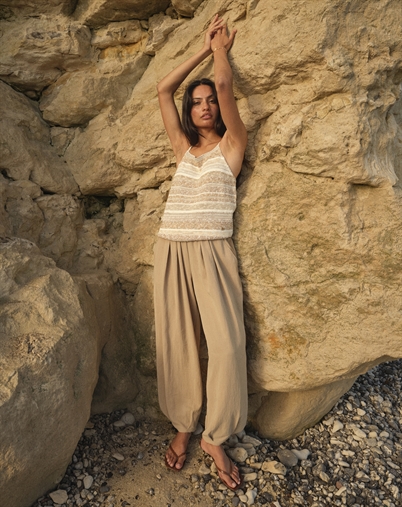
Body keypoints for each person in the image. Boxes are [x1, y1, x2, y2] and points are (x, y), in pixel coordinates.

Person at [153, 14, 248, 491]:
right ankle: (184, 425)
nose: (206, 106)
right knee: (179, 344)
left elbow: (226, 87)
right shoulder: (182, 149)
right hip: (171, 249)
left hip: (212, 252)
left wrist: (220, 52)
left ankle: (216, 437)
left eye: (210, 101)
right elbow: (162, 89)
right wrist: (201, 49)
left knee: (227, 346)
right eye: (197, 102)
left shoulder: (232, 145)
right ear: (189, 112)